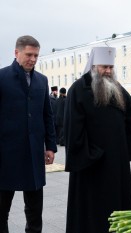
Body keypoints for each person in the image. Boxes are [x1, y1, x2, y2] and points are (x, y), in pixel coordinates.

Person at [64, 47, 131, 233]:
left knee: (116, 203)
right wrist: (90, 153)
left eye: (110, 67)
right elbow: (72, 128)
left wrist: (126, 147)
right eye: (104, 67)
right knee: (93, 210)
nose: (108, 71)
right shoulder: (78, 89)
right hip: (92, 162)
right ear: (93, 66)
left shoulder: (117, 88)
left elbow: (130, 111)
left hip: (116, 161)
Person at [0, 35, 56, 233]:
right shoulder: (2, 77)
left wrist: (50, 146)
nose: (32, 59)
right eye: (29, 54)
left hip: (33, 154)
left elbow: (47, 115)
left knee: (34, 209)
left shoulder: (42, 80)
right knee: (2, 209)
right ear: (16, 53)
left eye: (36, 56)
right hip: (6, 154)